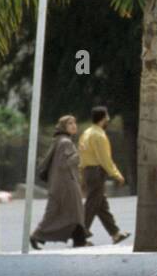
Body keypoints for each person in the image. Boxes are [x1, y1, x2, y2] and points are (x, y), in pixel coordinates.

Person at [30, 115, 89, 249]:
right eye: (70, 124)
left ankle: (79, 240)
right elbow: (65, 163)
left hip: (61, 184)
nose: (74, 126)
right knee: (71, 214)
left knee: (71, 214)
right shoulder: (65, 142)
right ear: (63, 127)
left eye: (74, 123)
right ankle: (38, 235)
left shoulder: (60, 140)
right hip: (66, 185)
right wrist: (80, 153)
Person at [77, 105, 131, 245]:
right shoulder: (99, 135)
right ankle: (79, 236)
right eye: (107, 116)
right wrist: (116, 174)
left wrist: (82, 175)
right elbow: (104, 158)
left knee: (101, 205)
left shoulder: (87, 133)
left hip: (88, 171)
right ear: (104, 118)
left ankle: (115, 233)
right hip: (96, 172)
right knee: (92, 205)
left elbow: (82, 155)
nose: (109, 119)